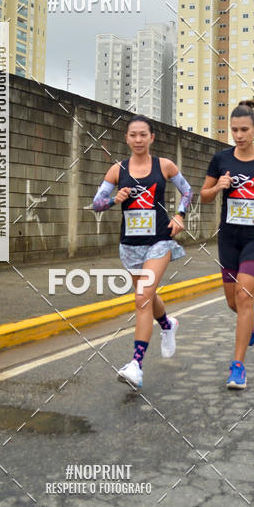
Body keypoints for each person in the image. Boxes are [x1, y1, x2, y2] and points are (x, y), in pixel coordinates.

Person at [92, 115, 192, 389]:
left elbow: (187, 192)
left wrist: (180, 216)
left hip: (159, 241)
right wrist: (115, 199)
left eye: (143, 135)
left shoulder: (165, 166)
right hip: (130, 246)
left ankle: (136, 365)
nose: (138, 139)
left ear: (151, 138)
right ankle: (168, 324)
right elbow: (96, 204)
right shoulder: (117, 170)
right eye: (133, 135)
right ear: (127, 138)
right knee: (148, 297)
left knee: (142, 298)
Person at [201, 100, 254, 390]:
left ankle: (237, 367)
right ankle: (253, 317)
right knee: (232, 302)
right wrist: (218, 187)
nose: (238, 135)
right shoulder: (221, 159)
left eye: (244, 130)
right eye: (234, 130)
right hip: (229, 237)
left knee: (244, 296)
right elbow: (204, 196)